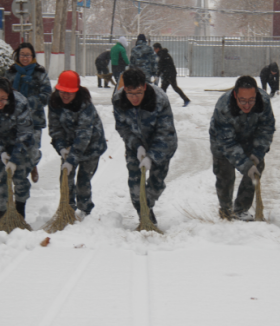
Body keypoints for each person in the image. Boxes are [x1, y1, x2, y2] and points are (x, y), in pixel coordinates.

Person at [112, 67, 177, 224]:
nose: (134, 98)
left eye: (138, 93)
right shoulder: (118, 100)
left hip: (161, 145)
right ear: (124, 88)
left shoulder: (159, 99)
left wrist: (151, 157)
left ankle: (147, 205)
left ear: (145, 86)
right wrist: (136, 146)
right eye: (130, 93)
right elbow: (122, 127)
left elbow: (165, 133)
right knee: (135, 183)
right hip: (136, 145)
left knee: (156, 184)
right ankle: (144, 214)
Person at [209, 75, 276, 221]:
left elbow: (267, 129)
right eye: (242, 100)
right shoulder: (223, 106)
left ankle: (241, 208)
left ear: (256, 95)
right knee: (225, 174)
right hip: (223, 141)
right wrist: (245, 165)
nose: (247, 105)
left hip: (250, 138)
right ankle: (226, 209)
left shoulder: (263, 101)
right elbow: (227, 143)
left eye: (251, 100)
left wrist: (257, 154)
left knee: (255, 170)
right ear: (235, 95)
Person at [48, 70, 107, 216]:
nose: (65, 95)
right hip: (69, 145)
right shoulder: (54, 102)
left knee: (83, 181)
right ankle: (67, 210)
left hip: (92, 146)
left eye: (69, 92)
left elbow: (84, 135)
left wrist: (72, 158)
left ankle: (85, 211)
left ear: (77, 91)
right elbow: (55, 129)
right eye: (62, 91)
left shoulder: (85, 105)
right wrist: (62, 149)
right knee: (65, 178)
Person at [0, 77, 36, 219]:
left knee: (20, 177)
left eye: (3, 98)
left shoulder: (20, 103)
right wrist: (1, 152)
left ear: (9, 95)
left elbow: (25, 133)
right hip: (0, 143)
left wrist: (15, 158)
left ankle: (20, 214)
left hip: (21, 143)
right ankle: (3, 217)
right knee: (0, 178)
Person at [4, 42, 51, 183]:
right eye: (22, 55)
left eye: (28, 55)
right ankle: (20, 176)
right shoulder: (10, 73)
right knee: (16, 148)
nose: (25, 58)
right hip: (14, 119)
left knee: (34, 149)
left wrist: (28, 103)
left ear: (33, 56)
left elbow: (47, 94)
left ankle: (33, 165)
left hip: (34, 119)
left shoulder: (40, 73)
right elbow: (3, 93)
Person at [153, 42, 190, 107]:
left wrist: (157, 76)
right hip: (168, 74)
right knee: (163, 89)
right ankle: (161, 103)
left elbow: (160, 66)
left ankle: (186, 99)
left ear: (158, 48)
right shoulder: (164, 54)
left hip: (169, 74)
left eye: (154, 49)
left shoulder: (162, 55)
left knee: (173, 88)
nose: (154, 51)